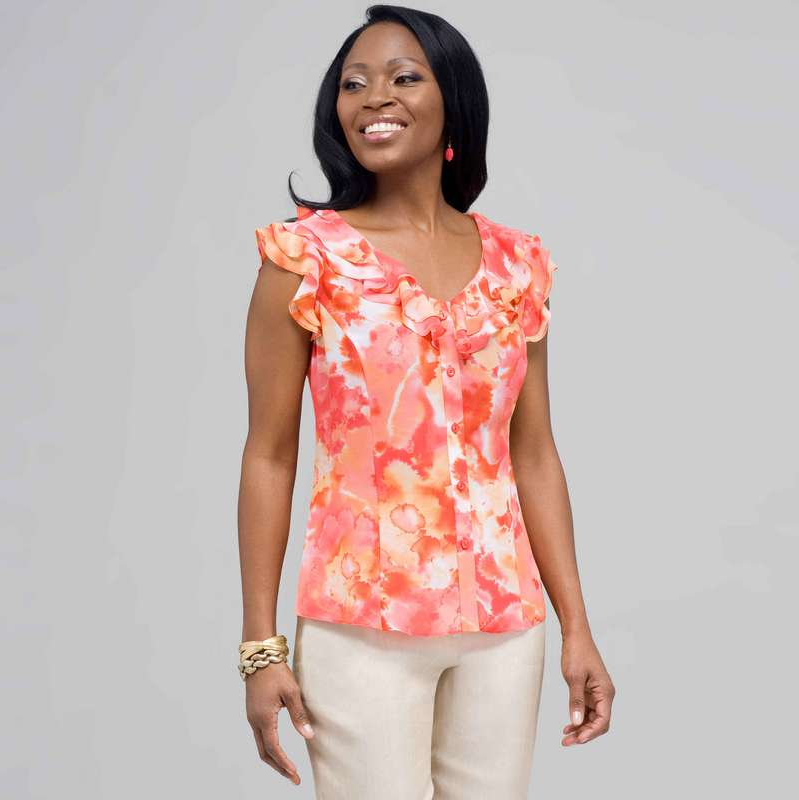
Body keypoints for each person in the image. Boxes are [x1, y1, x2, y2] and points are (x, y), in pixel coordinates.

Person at [238, 5, 615, 798]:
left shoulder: (518, 266)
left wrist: (576, 626)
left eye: (404, 77)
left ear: (454, 102)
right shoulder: (306, 259)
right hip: (360, 625)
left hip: (504, 625)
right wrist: (261, 648)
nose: (375, 97)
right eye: (353, 84)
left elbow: (533, 453)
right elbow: (268, 454)